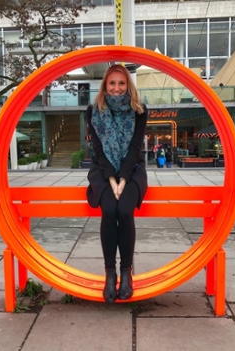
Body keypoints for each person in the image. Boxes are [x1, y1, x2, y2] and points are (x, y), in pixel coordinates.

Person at [86, 64, 148, 303]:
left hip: (133, 167)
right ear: (105, 86)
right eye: (112, 83)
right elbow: (98, 149)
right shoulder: (93, 111)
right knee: (110, 209)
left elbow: (134, 148)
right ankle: (110, 274)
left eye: (121, 83)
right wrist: (111, 179)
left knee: (124, 209)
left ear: (128, 85)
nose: (116, 88)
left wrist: (123, 178)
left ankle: (126, 272)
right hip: (102, 168)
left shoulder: (139, 111)